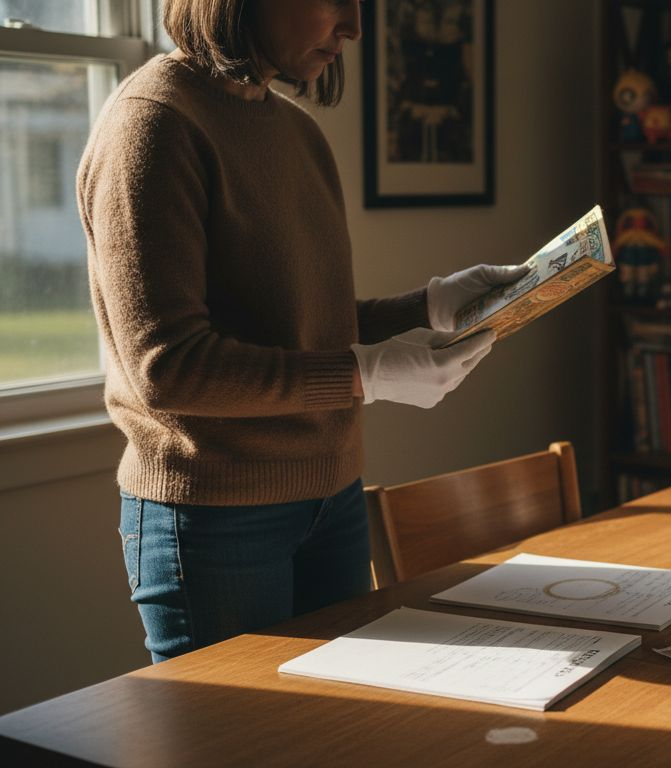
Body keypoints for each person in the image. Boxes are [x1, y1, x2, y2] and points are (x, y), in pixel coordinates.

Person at [77, 0, 523, 663]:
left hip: (333, 499)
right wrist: (365, 374)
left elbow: (310, 325)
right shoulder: (155, 124)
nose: (354, 27)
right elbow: (169, 368)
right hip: (216, 517)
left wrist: (428, 306)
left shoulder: (296, 132)